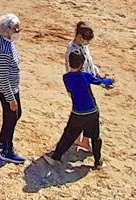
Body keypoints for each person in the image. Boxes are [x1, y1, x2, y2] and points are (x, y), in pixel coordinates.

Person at [43, 47, 114, 169]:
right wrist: (110, 79)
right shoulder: (86, 76)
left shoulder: (66, 78)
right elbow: (103, 82)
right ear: (82, 64)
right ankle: (98, 162)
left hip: (77, 112)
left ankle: (56, 157)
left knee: (68, 135)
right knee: (95, 137)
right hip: (92, 111)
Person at [65, 22, 110, 152]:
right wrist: (101, 81)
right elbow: (80, 70)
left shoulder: (82, 46)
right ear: (79, 36)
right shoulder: (73, 50)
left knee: (82, 112)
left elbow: (89, 62)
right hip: (78, 85)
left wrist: (97, 74)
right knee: (87, 114)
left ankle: (80, 139)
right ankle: (83, 140)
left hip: (83, 83)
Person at [0, 13, 27, 164]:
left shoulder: (5, 40)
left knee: (14, 115)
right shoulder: (4, 49)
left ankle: (1, 141)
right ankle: (7, 150)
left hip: (11, 87)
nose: (18, 31)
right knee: (12, 116)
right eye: (15, 29)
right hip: (7, 89)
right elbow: (2, 76)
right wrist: (11, 98)